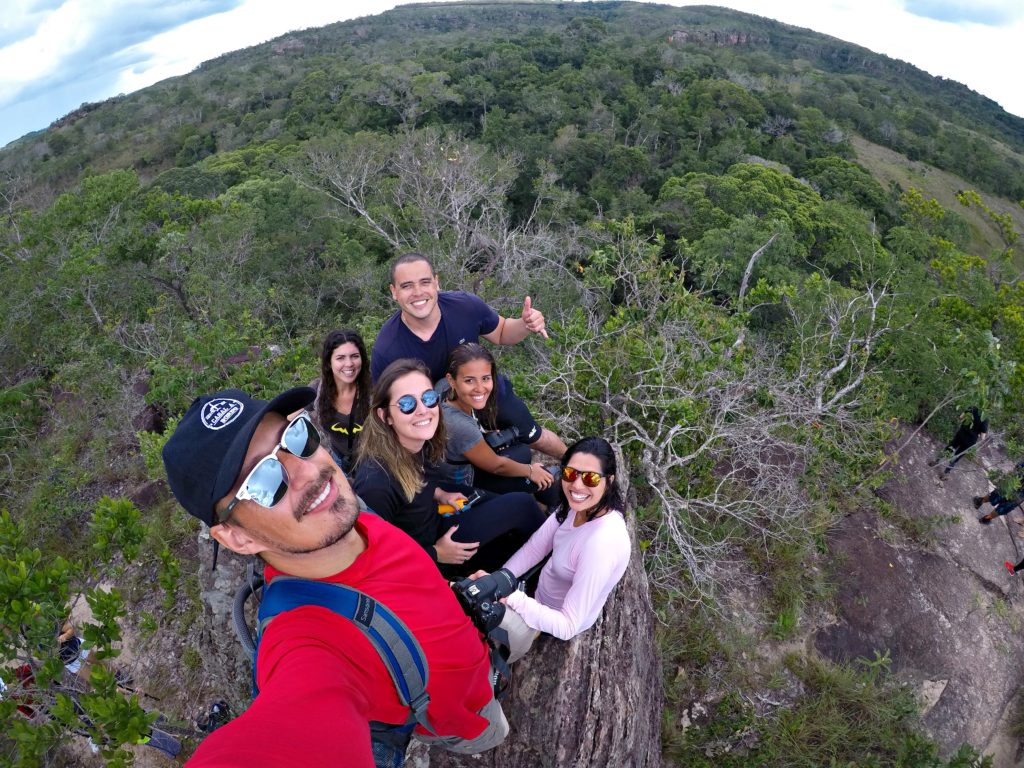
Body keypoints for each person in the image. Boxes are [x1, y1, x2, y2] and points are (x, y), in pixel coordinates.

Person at [161, 386, 507, 766]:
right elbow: (292, 730)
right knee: (500, 731)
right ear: (237, 537)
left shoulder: (347, 509)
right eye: (262, 481)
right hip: (472, 716)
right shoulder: (305, 640)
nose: (306, 471)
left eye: (296, 437)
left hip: (481, 633)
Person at [352, 358, 546, 576]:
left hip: (435, 522)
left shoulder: (415, 443)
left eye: (428, 398)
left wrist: (439, 493)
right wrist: (436, 554)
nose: (423, 410)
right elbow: (373, 561)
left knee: (507, 528)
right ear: (385, 415)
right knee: (522, 505)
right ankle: (552, 565)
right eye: (407, 404)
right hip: (426, 558)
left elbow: (412, 485)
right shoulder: (376, 483)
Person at [370, 252, 566, 459]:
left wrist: (525, 324)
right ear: (394, 292)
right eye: (407, 286)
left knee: (538, 437)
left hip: (483, 391)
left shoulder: (464, 306)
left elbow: (501, 332)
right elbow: (387, 407)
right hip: (435, 415)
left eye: (425, 282)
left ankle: (578, 467)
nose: (418, 292)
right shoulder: (388, 348)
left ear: (437, 282)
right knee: (460, 467)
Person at [476, 437, 632, 662]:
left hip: (551, 620)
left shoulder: (602, 543)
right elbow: (535, 548)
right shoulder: (577, 507)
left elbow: (568, 625)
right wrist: (499, 581)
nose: (577, 486)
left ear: (609, 480)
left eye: (590, 478)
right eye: (570, 474)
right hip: (538, 595)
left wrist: (512, 598)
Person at [437, 343, 557, 507]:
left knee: (521, 452)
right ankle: (552, 506)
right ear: (452, 380)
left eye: (485, 378)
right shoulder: (458, 424)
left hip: (464, 466)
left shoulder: (442, 390)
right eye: (469, 380)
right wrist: (530, 471)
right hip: (462, 485)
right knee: (532, 476)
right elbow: (497, 466)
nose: (480, 388)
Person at [308, 329, 370, 474]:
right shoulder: (316, 391)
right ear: (329, 362)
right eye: (340, 358)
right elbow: (289, 420)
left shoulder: (373, 391)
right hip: (333, 464)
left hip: (369, 464)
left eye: (354, 356)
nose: (349, 364)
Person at [930, 406, 988, 479]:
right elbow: (982, 437)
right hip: (970, 442)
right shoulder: (985, 419)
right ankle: (945, 473)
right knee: (957, 456)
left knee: (950, 448)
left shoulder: (972, 408)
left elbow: (961, 417)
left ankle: (936, 461)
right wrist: (979, 433)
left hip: (961, 434)